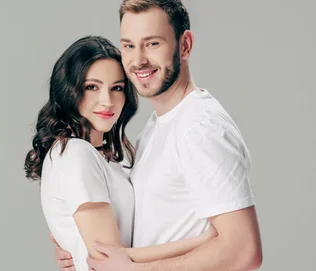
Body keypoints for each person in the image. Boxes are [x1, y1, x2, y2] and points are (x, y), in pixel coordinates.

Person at [51, 1, 263, 271]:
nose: (138, 60)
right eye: (129, 45)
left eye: (152, 44)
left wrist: (132, 269)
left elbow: (244, 251)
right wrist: (76, 243)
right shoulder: (157, 125)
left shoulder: (199, 128)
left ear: (184, 45)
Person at [24, 35, 218, 271]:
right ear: (68, 89)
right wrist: (204, 241)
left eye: (117, 88)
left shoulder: (117, 155)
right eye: (92, 87)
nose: (107, 101)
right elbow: (108, 261)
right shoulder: (75, 153)